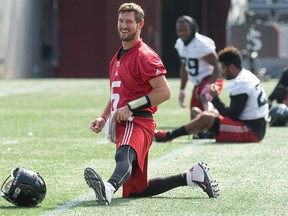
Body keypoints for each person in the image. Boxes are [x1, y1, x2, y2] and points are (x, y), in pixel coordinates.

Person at [84, 3, 219, 205]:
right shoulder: (118, 56)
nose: (124, 25)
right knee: (137, 190)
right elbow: (117, 94)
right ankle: (191, 176)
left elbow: (164, 92)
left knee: (124, 155)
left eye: (129, 21)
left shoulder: (144, 55)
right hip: (126, 120)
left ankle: (109, 188)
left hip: (137, 120)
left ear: (140, 25)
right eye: (121, 21)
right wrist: (104, 117)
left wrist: (130, 107)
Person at [155, 46, 269, 143]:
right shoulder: (246, 75)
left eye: (223, 68)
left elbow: (232, 116)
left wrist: (214, 99)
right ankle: (207, 131)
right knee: (200, 112)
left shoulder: (241, 83)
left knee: (206, 118)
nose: (221, 72)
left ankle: (169, 135)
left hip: (251, 131)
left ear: (232, 68)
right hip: (252, 124)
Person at [174, 15, 224, 117]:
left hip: (210, 78)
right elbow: (184, 67)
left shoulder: (201, 44)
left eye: (185, 29)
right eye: (180, 30)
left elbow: (216, 65)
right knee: (194, 115)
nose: (182, 33)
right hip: (198, 83)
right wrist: (182, 90)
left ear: (192, 28)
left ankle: (215, 122)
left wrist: (209, 85)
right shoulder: (180, 44)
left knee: (205, 97)